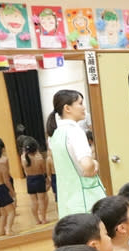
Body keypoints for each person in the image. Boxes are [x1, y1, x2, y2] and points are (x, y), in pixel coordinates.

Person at [46, 90, 106, 218]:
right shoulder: (75, 132)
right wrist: (95, 163)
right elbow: (87, 166)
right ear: (67, 108)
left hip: (67, 199)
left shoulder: (54, 135)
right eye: (80, 103)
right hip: (85, 199)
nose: (84, 107)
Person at [19, 136, 50, 224]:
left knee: (33, 201)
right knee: (41, 200)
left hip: (29, 179)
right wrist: (47, 180)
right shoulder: (39, 158)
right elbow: (43, 170)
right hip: (39, 178)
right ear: (36, 147)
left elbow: (24, 168)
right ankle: (43, 219)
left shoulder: (22, 157)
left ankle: (37, 220)